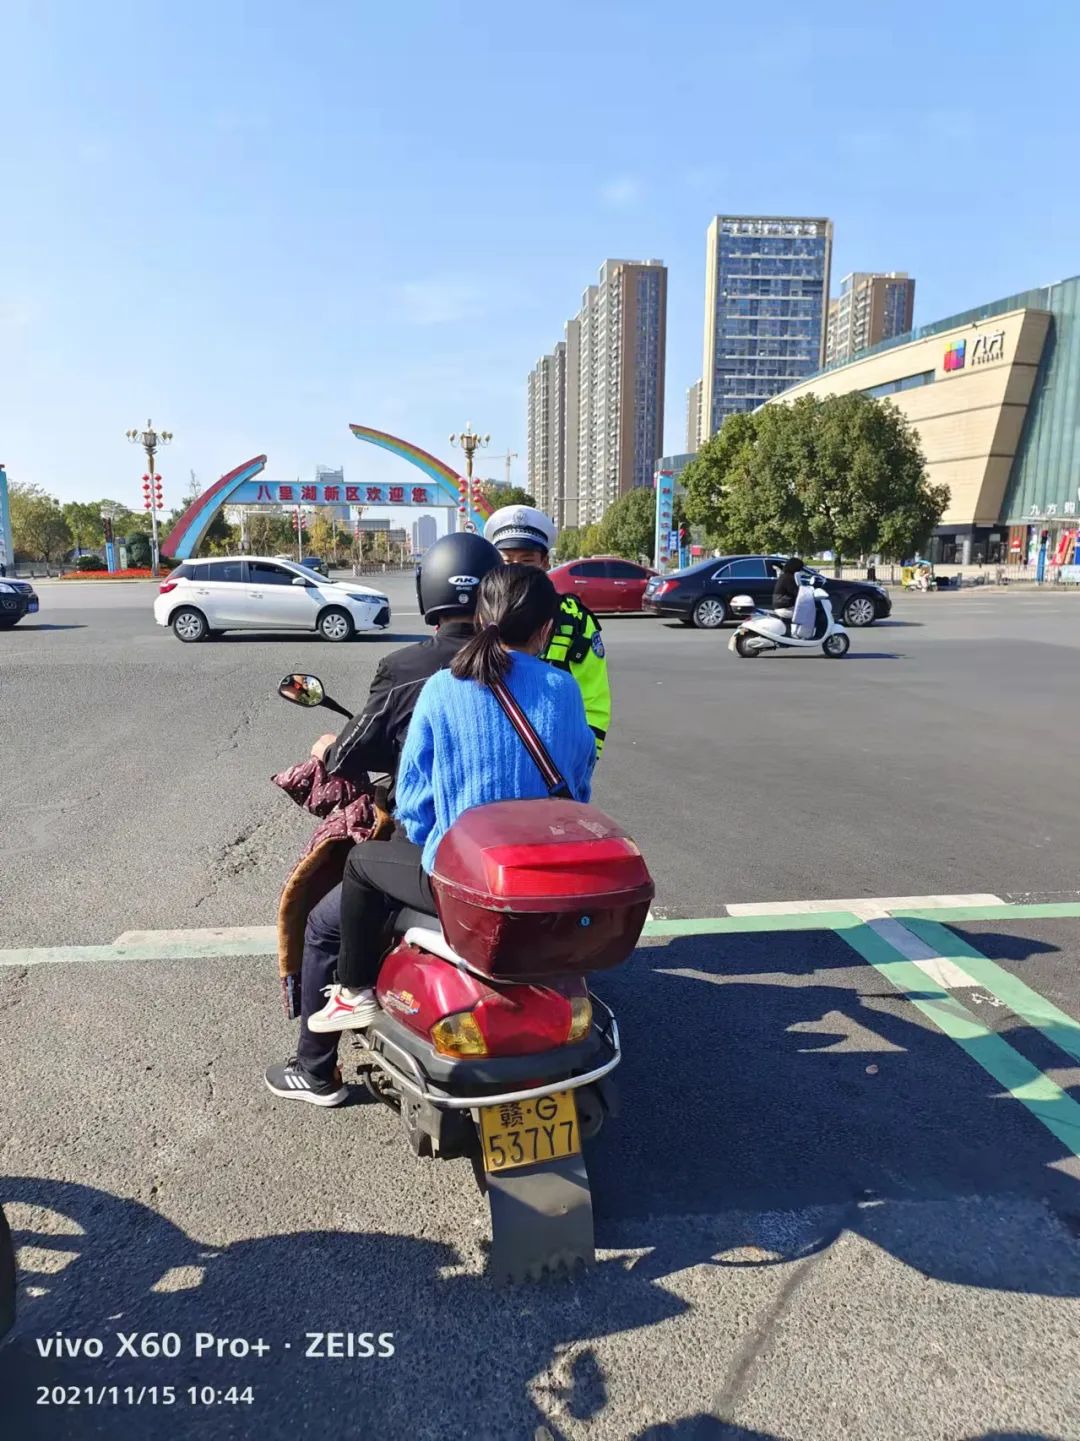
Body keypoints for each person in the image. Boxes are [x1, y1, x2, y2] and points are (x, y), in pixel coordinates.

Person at [264, 532, 501, 1106]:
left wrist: (329, 746)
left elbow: (354, 754)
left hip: (437, 850)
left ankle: (316, 1067)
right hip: (512, 851)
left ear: (429, 593)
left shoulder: (409, 668)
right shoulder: (531, 669)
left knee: (324, 922)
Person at [307, 564, 596, 1033]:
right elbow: (579, 789)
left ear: (480, 619)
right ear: (545, 631)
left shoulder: (443, 688)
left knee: (362, 862)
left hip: (465, 886)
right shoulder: (564, 689)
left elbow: (417, 805)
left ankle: (353, 991)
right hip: (543, 877)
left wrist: (431, 838)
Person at [484, 505, 611, 758]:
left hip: (554, 759)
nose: (517, 570)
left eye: (527, 561)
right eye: (507, 562)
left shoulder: (573, 620)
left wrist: (584, 763)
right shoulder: (481, 614)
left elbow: (593, 699)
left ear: (545, 562)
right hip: (491, 754)